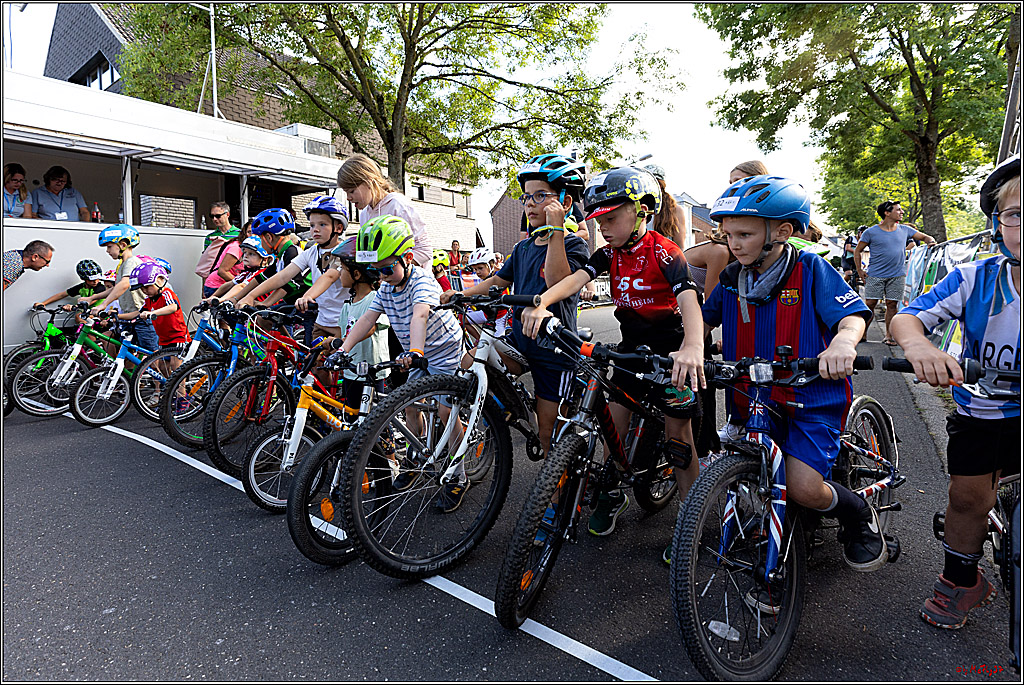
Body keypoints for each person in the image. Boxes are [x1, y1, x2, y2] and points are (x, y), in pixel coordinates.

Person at [704, 174, 887, 591]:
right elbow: (703, 315)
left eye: (745, 233)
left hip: (810, 397)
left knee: (803, 487)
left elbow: (852, 315)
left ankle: (857, 513)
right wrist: (692, 344)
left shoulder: (811, 269)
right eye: (728, 234)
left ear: (782, 231)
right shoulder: (733, 278)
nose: (733, 243)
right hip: (752, 396)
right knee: (758, 474)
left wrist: (842, 342)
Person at [521, 166, 704, 554]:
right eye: (598, 219)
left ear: (641, 212)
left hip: (671, 355)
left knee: (679, 442)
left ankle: (692, 519)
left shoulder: (663, 250)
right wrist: (543, 302)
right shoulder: (608, 254)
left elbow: (689, 299)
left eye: (612, 217)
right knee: (613, 437)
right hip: (629, 351)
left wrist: (692, 346)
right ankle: (614, 491)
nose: (603, 226)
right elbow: (574, 280)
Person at [890, 155, 1020, 630]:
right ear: (996, 223)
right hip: (983, 411)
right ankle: (962, 579)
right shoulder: (974, 278)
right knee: (967, 500)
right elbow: (906, 318)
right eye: (1016, 214)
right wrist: (921, 348)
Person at [445, 152, 591, 458]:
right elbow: (498, 280)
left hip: (555, 350)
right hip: (520, 341)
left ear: (565, 203)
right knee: (471, 361)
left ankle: (560, 496)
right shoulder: (522, 247)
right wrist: (462, 295)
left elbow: (555, 282)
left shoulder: (574, 244)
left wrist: (555, 230)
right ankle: (509, 413)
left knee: (549, 433)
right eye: (526, 197)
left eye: (540, 196)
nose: (530, 204)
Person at [334, 215, 468, 511]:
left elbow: (420, 315)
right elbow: (368, 318)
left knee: (447, 412)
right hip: (417, 353)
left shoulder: (423, 281)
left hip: (443, 350)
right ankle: (416, 456)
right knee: (410, 404)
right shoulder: (385, 286)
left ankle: (458, 476)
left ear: (408, 258)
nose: (381, 276)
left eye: (386, 269)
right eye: (375, 270)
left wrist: (416, 351)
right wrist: (343, 348)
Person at [240, 198, 349, 339]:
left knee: (335, 359)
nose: (315, 229)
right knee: (312, 360)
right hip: (321, 322)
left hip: (341, 323)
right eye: (312, 225)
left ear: (338, 228)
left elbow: (329, 276)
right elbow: (283, 276)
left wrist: (308, 296)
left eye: (322, 224)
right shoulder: (312, 251)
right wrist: (250, 296)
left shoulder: (344, 251)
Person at [320, 236, 390, 412]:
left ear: (356, 274)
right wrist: (326, 346)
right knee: (352, 414)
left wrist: (343, 342)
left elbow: (369, 328)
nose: (339, 274)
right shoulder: (347, 305)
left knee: (374, 419)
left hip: (371, 373)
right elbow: (341, 333)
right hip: (351, 371)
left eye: (343, 269)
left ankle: (385, 440)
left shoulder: (374, 300)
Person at [854, 200, 937, 345]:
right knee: (870, 304)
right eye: (898, 210)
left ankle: (889, 336)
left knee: (892, 305)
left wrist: (930, 241)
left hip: (897, 275)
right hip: (875, 275)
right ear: (887, 213)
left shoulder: (905, 230)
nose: (902, 212)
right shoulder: (871, 232)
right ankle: (862, 334)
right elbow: (857, 251)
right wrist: (860, 270)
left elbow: (924, 237)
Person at [337, 153, 431, 267]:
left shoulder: (398, 205)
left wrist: (392, 268)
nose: (348, 197)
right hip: (385, 283)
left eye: (351, 191)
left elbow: (424, 250)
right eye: (346, 192)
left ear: (369, 182)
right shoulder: (364, 214)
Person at [79, 225, 160, 352]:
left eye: (109, 246)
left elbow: (124, 284)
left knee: (151, 356)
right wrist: (92, 298)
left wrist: (103, 305)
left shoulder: (132, 261)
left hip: (141, 318)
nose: (107, 251)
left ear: (122, 245)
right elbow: (115, 288)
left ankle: (163, 372)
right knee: (127, 355)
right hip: (129, 318)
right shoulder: (123, 265)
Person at [228, 208, 309, 306]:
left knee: (263, 318)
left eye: (260, 239)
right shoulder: (281, 255)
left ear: (268, 238)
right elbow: (260, 278)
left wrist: (265, 303)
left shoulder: (292, 253)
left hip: (306, 308)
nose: (260, 243)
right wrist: (236, 298)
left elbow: (289, 284)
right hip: (294, 304)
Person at [132, 261, 190, 386]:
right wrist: (116, 316)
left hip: (177, 335)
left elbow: (173, 307)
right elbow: (138, 313)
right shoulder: (149, 300)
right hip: (164, 338)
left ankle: (182, 397)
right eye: (142, 288)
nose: (144, 291)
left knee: (176, 367)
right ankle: (172, 390)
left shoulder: (166, 294)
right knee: (163, 368)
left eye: (147, 287)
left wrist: (153, 313)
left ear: (159, 281)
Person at [205, 236, 274, 302]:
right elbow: (230, 284)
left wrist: (221, 299)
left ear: (265, 259)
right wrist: (212, 297)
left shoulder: (262, 272)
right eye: (245, 252)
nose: (246, 256)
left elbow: (241, 286)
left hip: (264, 309)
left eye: (251, 254)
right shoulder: (247, 273)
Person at [201, 220, 251, 298]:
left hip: (228, 285)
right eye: (249, 232)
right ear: (244, 233)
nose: (253, 235)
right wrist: (240, 284)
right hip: (216, 286)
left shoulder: (253, 248)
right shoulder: (237, 247)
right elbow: (222, 271)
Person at [643, 163, 688, 249]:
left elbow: (680, 247)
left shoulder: (675, 210)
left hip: (665, 259)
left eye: (648, 182)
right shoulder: (635, 208)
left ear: (659, 184)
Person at [33, 259, 104, 307]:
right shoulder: (81, 287)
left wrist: (75, 307)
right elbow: (62, 295)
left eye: (97, 278)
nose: (95, 281)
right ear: (83, 278)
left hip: (100, 312)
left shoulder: (100, 287)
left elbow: (92, 299)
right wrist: (43, 303)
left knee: (78, 317)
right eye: (91, 279)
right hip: (87, 313)